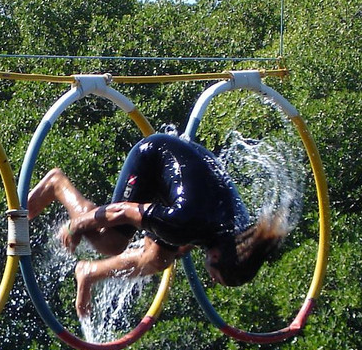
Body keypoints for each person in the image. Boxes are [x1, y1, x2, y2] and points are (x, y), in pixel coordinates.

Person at [26, 132, 288, 317]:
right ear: (217, 255)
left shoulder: (237, 233)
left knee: (160, 257)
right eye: (215, 276)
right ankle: (57, 185)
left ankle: (90, 273)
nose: (210, 279)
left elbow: (187, 235)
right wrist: (75, 227)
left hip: (190, 175)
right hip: (154, 158)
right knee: (111, 242)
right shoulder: (184, 222)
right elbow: (121, 211)